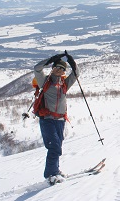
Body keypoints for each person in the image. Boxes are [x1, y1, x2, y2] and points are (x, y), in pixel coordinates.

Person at [33, 51, 78, 185]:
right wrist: (50, 60)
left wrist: (72, 62)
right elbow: (37, 68)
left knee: (58, 146)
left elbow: (77, 74)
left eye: (62, 69)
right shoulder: (45, 81)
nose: (59, 70)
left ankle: (55, 170)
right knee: (55, 147)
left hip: (60, 120)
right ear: (53, 68)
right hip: (47, 119)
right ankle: (50, 174)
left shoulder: (65, 83)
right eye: (57, 67)